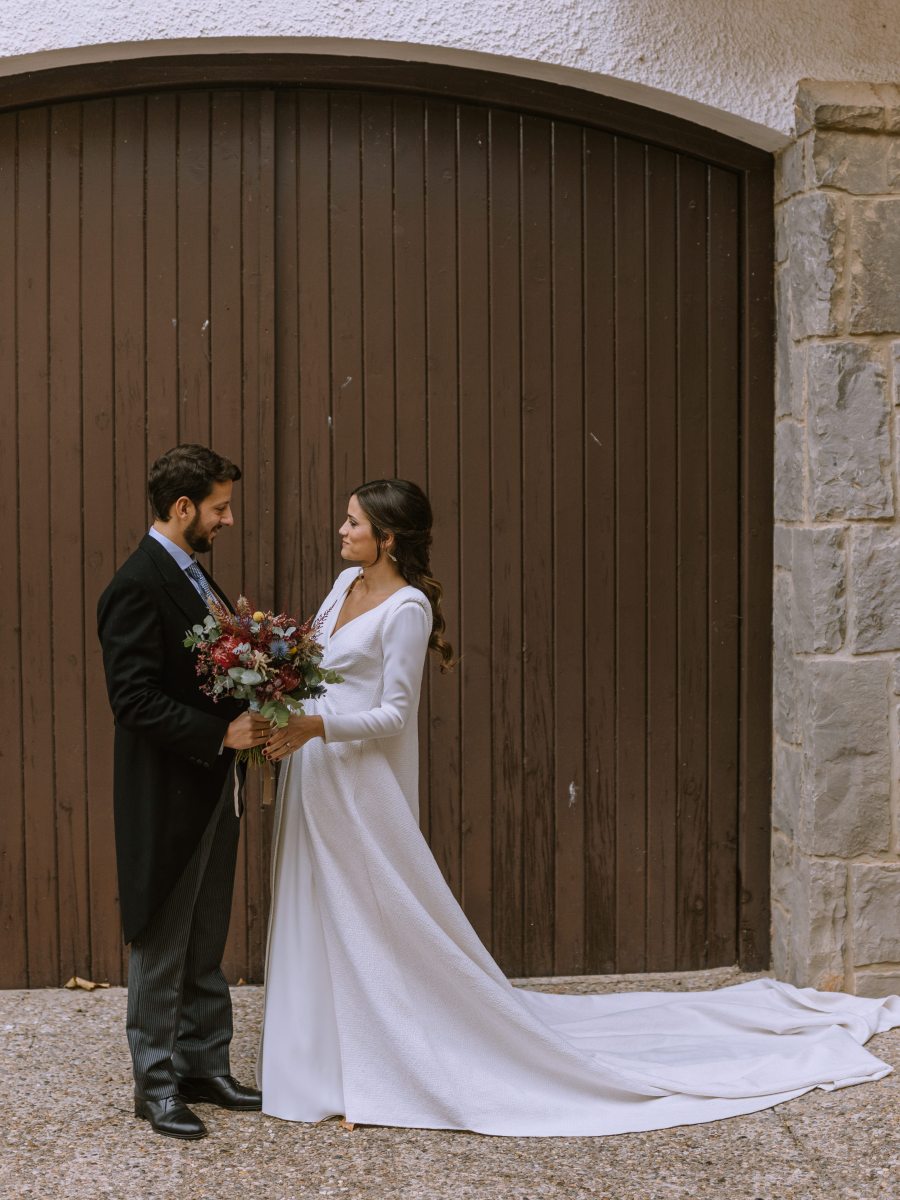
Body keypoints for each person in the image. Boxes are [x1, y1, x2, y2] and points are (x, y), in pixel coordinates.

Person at [258, 478, 900, 1137]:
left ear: (388, 538)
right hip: (316, 776)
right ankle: (316, 1061)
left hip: (360, 785)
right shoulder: (341, 588)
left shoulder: (408, 608)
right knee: (313, 903)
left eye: (354, 523)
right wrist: (275, 694)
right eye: (345, 521)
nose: (341, 531)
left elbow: (395, 715)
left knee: (373, 912)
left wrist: (318, 729)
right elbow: (312, 663)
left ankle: (387, 1053)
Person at [97, 444, 271, 1141]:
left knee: (204, 936)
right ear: (183, 508)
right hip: (167, 792)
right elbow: (132, 700)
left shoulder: (198, 579)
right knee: (162, 939)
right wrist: (220, 734)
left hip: (211, 789)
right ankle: (157, 1081)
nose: (227, 520)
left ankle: (204, 1065)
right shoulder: (136, 585)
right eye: (220, 508)